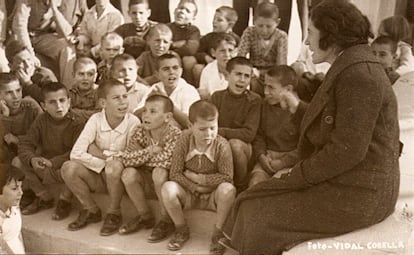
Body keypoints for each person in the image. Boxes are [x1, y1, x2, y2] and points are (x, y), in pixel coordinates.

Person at [219, 1, 401, 254]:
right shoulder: (353, 64)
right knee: (254, 198)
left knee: (257, 210)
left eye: (311, 34)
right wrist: (300, 108)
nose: (306, 42)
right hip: (352, 181)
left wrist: (297, 174)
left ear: (331, 35)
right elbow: (340, 124)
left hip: (361, 193)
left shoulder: (360, 75)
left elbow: (347, 151)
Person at [61, 79, 140, 236]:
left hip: (119, 180)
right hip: (98, 176)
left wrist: (95, 151)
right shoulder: (95, 120)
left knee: (114, 167)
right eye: (116, 98)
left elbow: (127, 157)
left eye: (125, 96)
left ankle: (114, 213)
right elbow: (76, 153)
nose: (123, 102)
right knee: (68, 167)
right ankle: (91, 210)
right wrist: (105, 160)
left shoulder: (133, 122)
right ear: (103, 102)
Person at [162, 100, 235, 254]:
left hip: (212, 196)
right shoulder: (184, 139)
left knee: (228, 190)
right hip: (189, 194)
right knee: (168, 188)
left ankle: (218, 234)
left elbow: (227, 177)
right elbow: (174, 172)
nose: (208, 134)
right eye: (202, 129)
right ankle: (181, 229)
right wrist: (194, 187)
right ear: (190, 125)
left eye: (212, 128)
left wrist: (201, 180)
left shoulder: (221, 145)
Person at [116, 95, 181, 241]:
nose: (146, 115)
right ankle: (145, 216)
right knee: (128, 173)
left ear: (167, 117)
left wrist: (139, 156)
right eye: (145, 111)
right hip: (145, 177)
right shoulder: (139, 130)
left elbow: (166, 161)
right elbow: (126, 159)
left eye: (153, 111)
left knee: (159, 172)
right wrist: (149, 151)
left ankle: (166, 219)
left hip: (167, 182)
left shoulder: (175, 133)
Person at [17, 82, 85, 220]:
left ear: (69, 102)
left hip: (64, 166)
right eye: (52, 102)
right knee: (17, 162)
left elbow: (78, 151)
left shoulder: (77, 122)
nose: (58, 106)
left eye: (62, 100)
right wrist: (32, 159)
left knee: (71, 168)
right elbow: (26, 143)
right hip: (45, 165)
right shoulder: (41, 120)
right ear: (44, 106)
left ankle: (64, 201)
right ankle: (44, 197)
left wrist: (53, 162)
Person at [211, 57, 261, 191]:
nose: (242, 80)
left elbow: (249, 134)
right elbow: (210, 126)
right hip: (220, 144)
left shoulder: (254, 100)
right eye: (238, 74)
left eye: (247, 76)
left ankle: (240, 186)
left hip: (243, 148)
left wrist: (220, 131)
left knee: (235, 145)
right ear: (227, 76)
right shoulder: (217, 97)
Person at [12, 0, 86, 87]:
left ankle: (68, 91)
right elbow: (20, 26)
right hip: (23, 38)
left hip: (44, 37)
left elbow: (67, 32)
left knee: (67, 47)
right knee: (24, 60)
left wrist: (54, 9)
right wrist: (30, 53)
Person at [249, 65, 300, 187]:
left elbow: (304, 147)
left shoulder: (300, 111)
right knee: (255, 184)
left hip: (290, 162)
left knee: (275, 186)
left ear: (288, 89)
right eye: (265, 86)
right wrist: (261, 156)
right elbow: (259, 135)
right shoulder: (264, 106)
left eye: (271, 87)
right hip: (267, 158)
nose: (265, 92)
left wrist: (283, 162)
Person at [238, 1, 288, 96]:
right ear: (254, 21)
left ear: (277, 22)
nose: (264, 30)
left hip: (273, 74)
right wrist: (250, 70)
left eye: (269, 26)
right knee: (250, 85)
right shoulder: (249, 32)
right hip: (254, 73)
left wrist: (265, 75)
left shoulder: (281, 36)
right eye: (260, 26)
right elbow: (240, 58)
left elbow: (281, 66)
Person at [183, 6, 240, 87]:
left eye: (219, 20)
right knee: (197, 68)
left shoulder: (236, 39)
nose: (214, 22)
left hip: (225, 67)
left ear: (230, 25)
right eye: (214, 19)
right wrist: (206, 57)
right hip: (209, 66)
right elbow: (198, 52)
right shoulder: (208, 37)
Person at [147, 53, 200, 129]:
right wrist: (147, 103)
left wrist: (167, 102)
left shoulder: (189, 91)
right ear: (157, 74)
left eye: (175, 68)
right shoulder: (155, 87)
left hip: (182, 135)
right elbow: (136, 115)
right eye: (166, 69)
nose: (171, 72)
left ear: (181, 71)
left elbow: (190, 124)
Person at [0, 73, 43, 165]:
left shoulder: (30, 106)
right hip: (6, 160)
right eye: (9, 92)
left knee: (18, 162)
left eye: (18, 90)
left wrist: (17, 140)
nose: (16, 96)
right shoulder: (2, 114)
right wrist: (5, 116)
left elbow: (44, 136)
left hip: (32, 154)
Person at [5, 39, 57, 104]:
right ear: (11, 66)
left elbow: (52, 99)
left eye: (29, 59)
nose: (28, 65)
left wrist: (28, 84)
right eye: (21, 62)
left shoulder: (44, 75)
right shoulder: (7, 80)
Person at [198, 33, 237, 100]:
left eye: (230, 50)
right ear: (213, 52)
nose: (227, 55)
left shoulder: (240, 69)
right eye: (222, 51)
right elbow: (203, 94)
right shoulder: (208, 70)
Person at [0, 165, 25, 254]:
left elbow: (17, 235)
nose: (21, 192)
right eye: (14, 189)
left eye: (20, 187)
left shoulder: (14, 207)